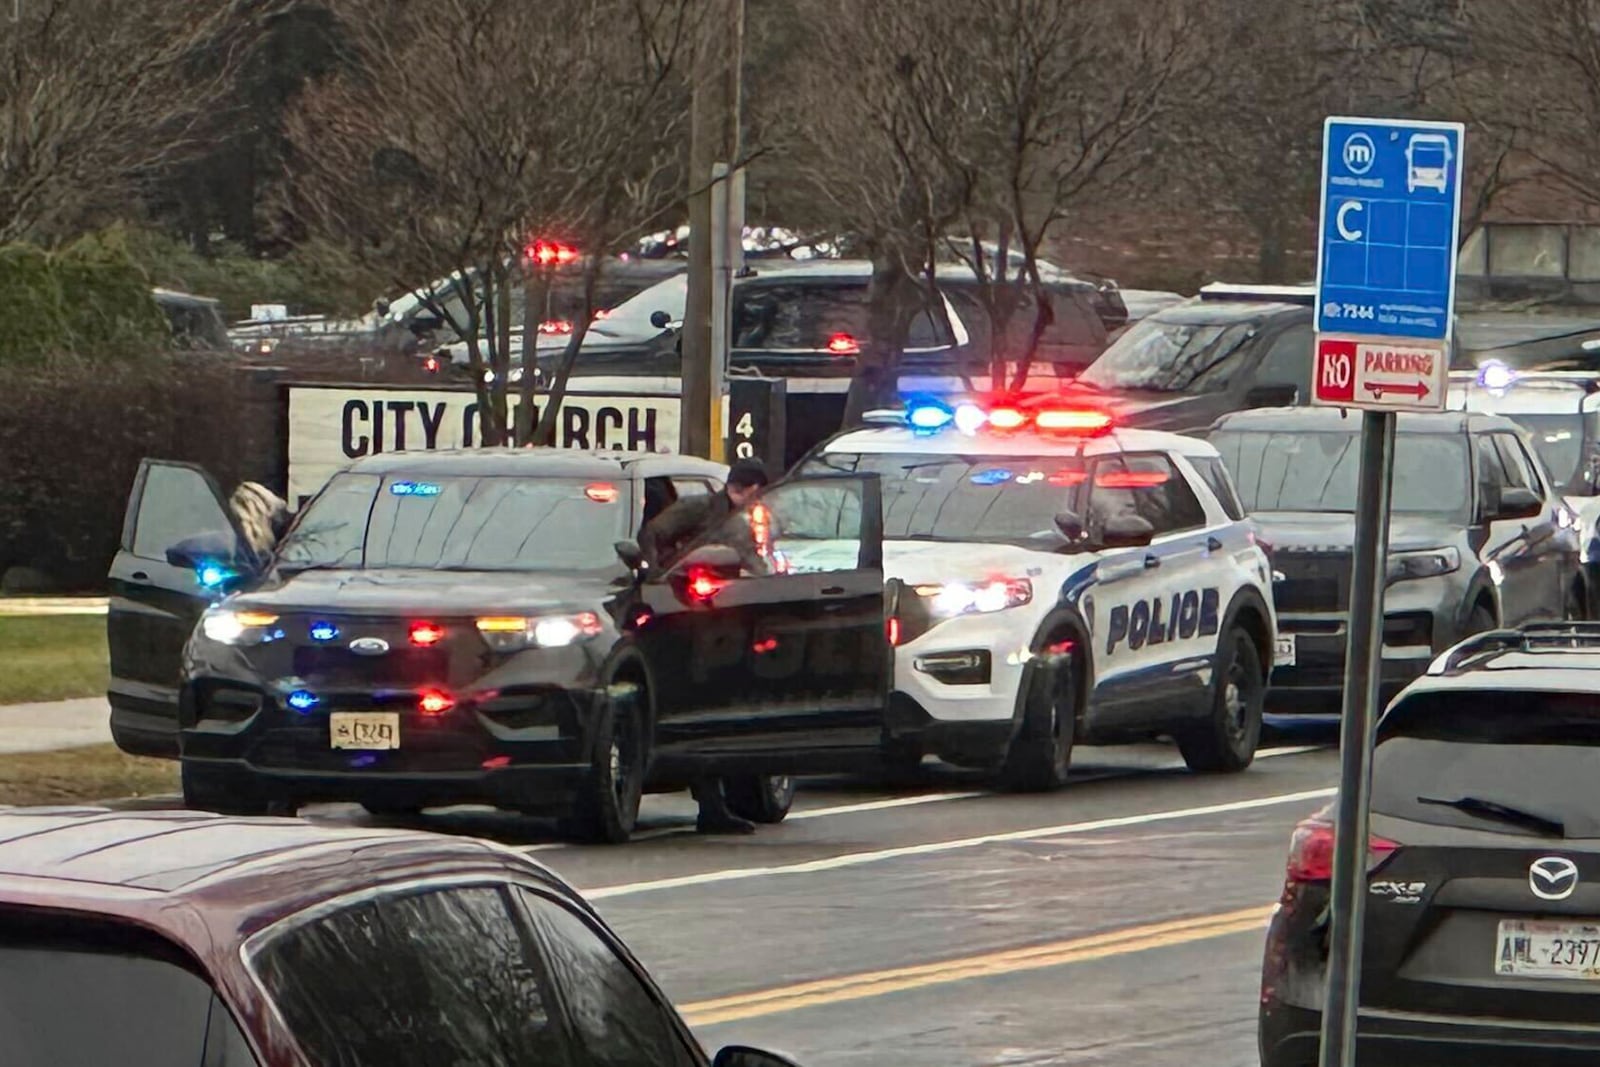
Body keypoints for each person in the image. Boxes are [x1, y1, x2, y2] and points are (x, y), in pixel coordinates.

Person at [639, 458, 772, 834]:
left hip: (728, 618)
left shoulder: (748, 521)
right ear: (744, 488)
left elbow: (751, 561)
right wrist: (660, 577)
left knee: (723, 708)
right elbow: (652, 535)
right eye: (757, 491)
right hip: (689, 616)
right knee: (700, 705)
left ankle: (718, 804)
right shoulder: (699, 508)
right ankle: (710, 804)